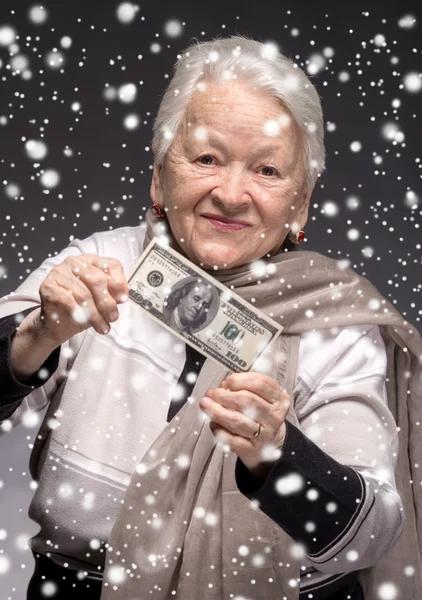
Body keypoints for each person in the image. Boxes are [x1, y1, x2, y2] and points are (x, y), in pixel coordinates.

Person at [0, 35, 421, 600]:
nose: (231, 193)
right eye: (206, 158)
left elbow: (370, 536)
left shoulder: (335, 324)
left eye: (268, 171)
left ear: (300, 203)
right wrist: (39, 333)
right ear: (158, 177)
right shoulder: (99, 267)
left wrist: (276, 455)